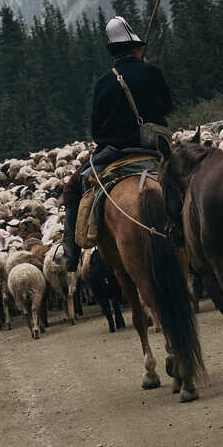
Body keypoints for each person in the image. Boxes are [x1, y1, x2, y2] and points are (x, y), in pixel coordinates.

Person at [56, 16, 175, 271]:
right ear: (136, 48)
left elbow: (96, 130)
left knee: (73, 189)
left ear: (115, 52)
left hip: (113, 154)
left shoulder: (104, 83)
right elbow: (168, 107)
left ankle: (71, 255)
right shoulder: (152, 73)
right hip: (155, 149)